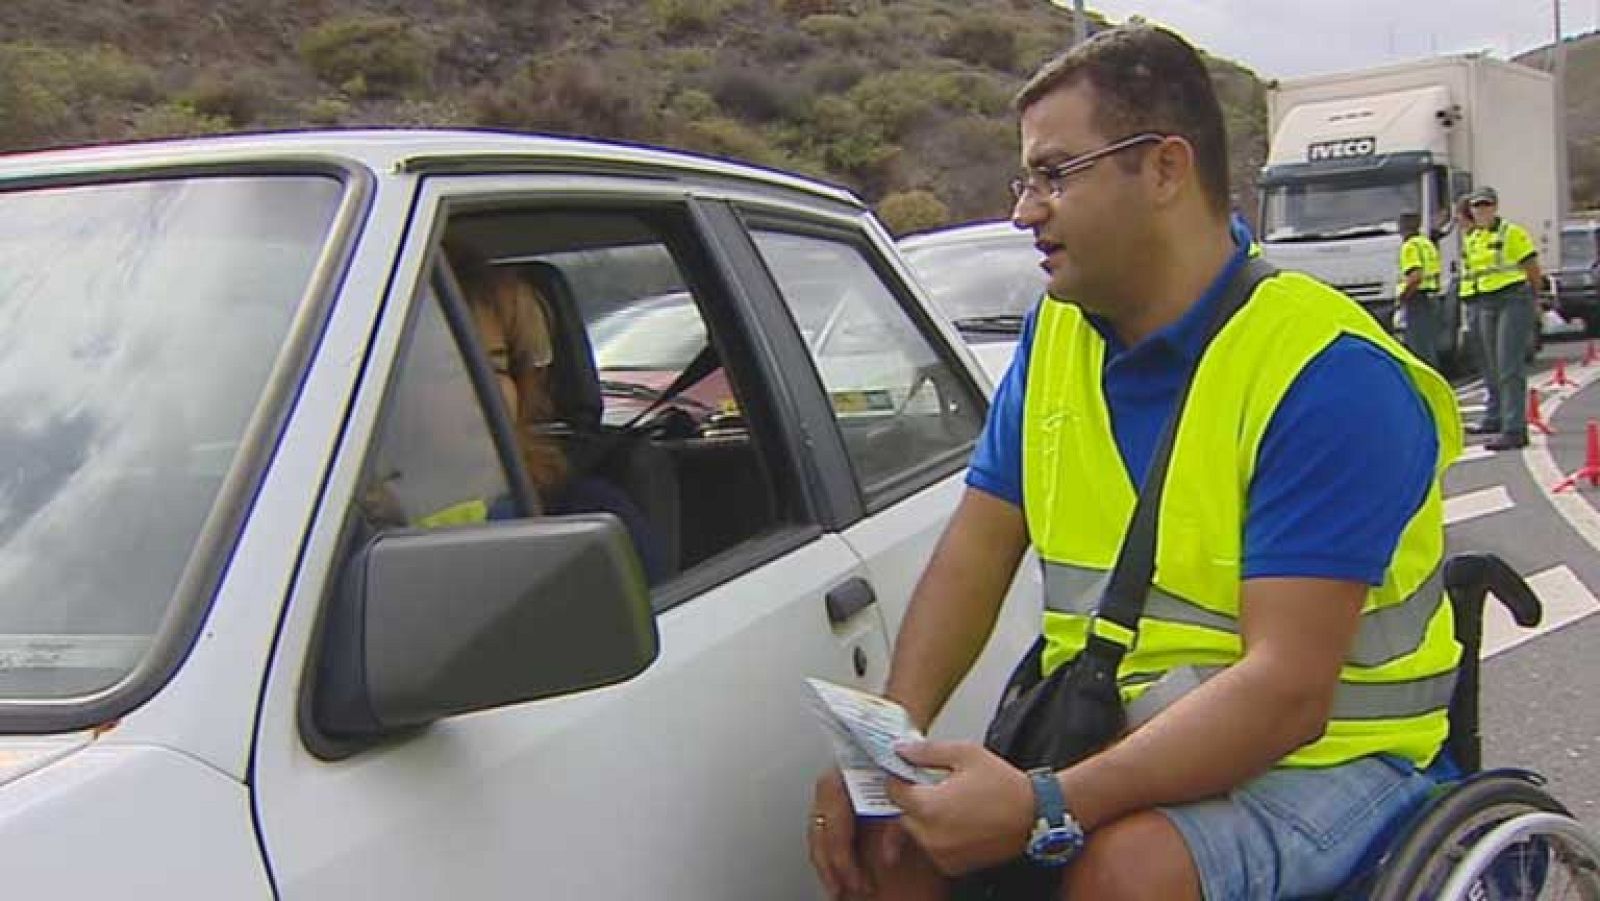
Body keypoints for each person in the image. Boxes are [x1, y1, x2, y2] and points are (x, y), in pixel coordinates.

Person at [806, 23, 1462, 901]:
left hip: (1328, 757)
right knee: (904, 842)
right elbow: (977, 547)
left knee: (1124, 872)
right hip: (1122, 724)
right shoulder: (1057, 336)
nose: (1024, 211)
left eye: (1054, 174)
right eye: (1023, 179)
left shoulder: (1325, 372)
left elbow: (1287, 693)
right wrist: (885, 747)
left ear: (1163, 169)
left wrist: (1046, 803)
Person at [449, 249, 672, 582]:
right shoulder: (367, 515)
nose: (484, 390)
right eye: (452, 369)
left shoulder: (583, 515)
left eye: (498, 367)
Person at [1462, 186, 1544, 450]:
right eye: (1477, 206)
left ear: (1495, 207)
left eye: (1486, 205)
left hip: (1513, 297)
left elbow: (1532, 268)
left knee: (1509, 364)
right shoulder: (1473, 238)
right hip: (1486, 301)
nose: (1481, 211)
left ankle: (1515, 429)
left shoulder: (1511, 233)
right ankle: (1500, 418)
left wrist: (1536, 299)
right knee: (1494, 364)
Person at [1397, 212, 1443, 370]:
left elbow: (1415, 276)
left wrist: (1403, 296)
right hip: (1432, 297)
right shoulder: (1426, 244)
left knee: (1418, 348)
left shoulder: (1410, 246)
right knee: (1430, 345)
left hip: (1417, 299)